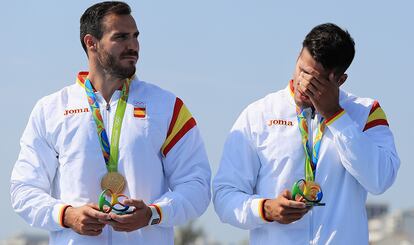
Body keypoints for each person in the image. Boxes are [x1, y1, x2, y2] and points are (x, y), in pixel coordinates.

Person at [10, 2, 211, 244]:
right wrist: (67, 215)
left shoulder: (168, 107)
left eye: (135, 36)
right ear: (91, 43)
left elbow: (197, 186)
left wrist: (154, 214)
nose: (133, 46)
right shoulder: (50, 110)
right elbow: (23, 190)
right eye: (121, 37)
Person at [213, 23, 400, 244]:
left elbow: (380, 179)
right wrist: (265, 209)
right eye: (302, 70)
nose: (303, 84)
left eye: (316, 81)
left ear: (340, 80)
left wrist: (335, 115)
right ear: (297, 57)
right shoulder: (258, 115)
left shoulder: (366, 112)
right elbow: (224, 196)